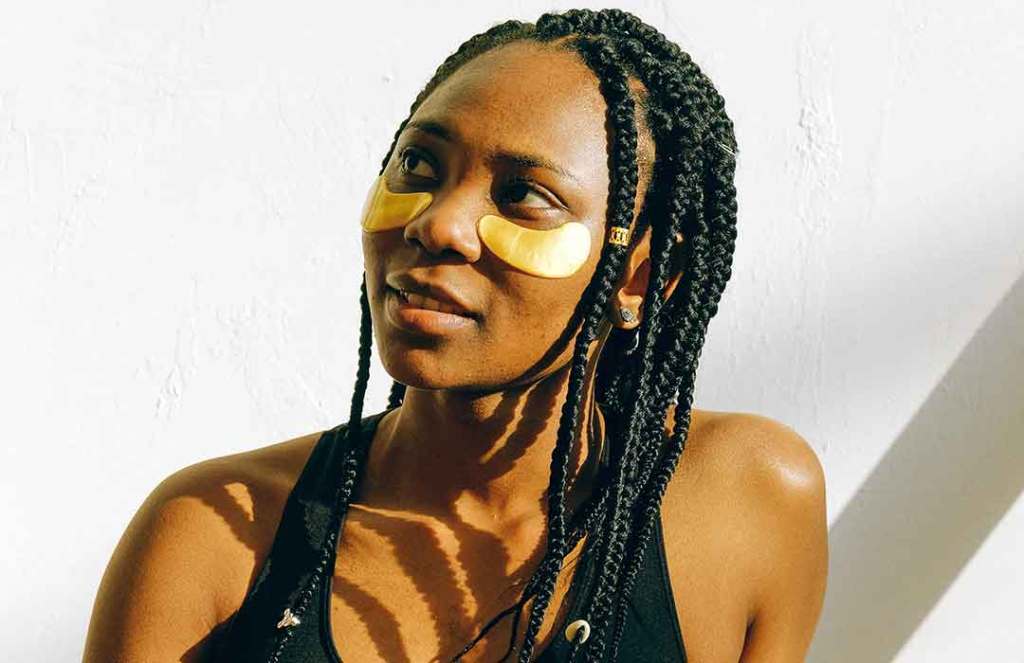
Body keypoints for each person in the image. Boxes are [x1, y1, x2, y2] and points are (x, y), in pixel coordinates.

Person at [84, 8, 828, 662]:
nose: (436, 223)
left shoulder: (746, 503)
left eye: (524, 195)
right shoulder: (217, 537)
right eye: (419, 164)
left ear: (637, 279)